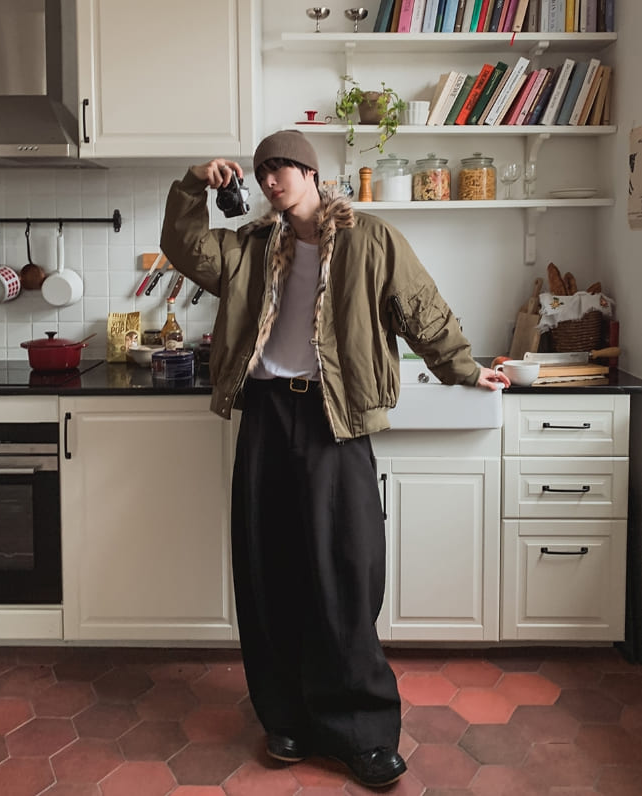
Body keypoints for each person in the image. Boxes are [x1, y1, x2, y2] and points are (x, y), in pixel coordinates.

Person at [160, 129, 510, 788]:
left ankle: (361, 731)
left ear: (311, 173)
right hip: (266, 416)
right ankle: (285, 718)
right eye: (262, 172)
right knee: (269, 572)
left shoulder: (369, 239)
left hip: (334, 419)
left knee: (346, 574)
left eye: (282, 168)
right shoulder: (249, 247)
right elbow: (184, 247)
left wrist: (465, 369)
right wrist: (191, 184)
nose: (270, 181)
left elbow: (420, 308)